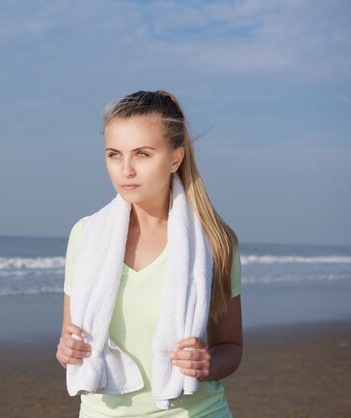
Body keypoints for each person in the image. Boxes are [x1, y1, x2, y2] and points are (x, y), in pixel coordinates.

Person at [56, 90, 243, 417]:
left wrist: (206, 363)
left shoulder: (215, 241)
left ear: (175, 159)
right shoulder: (86, 235)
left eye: (142, 154)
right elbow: (70, 341)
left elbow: (231, 348)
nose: (125, 170)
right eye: (114, 154)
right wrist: (67, 351)